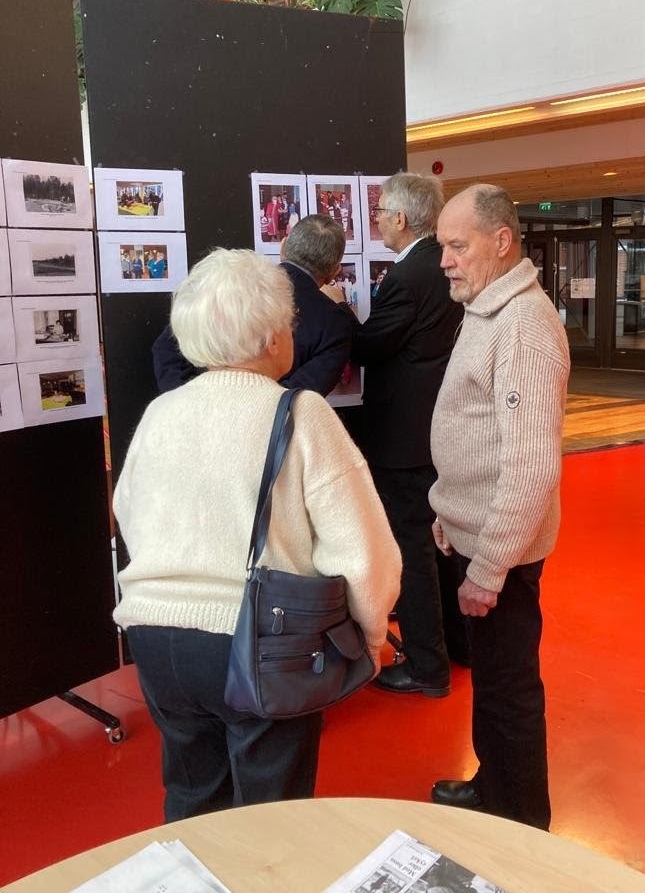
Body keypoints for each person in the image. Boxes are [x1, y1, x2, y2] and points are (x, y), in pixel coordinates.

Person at [113, 248, 401, 823]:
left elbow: (127, 511)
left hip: (155, 636)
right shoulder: (301, 413)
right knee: (271, 818)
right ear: (270, 337)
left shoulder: (160, 412)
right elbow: (363, 550)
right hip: (262, 640)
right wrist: (371, 638)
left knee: (193, 797)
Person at [428, 184, 570, 829]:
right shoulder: (487, 309)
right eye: (443, 247)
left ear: (502, 241)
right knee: (490, 679)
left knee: (509, 690)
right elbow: (477, 435)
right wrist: (449, 508)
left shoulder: (523, 327)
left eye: (458, 246)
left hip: (501, 555)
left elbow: (532, 467)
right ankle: (493, 789)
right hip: (476, 536)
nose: (445, 261)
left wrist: (488, 569)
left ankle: (522, 824)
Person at [335, 172, 464, 696]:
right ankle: (458, 647)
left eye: (380, 211)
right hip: (436, 429)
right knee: (443, 545)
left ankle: (427, 667)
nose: (377, 221)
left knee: (412, 551)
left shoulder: (408, 276)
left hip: (405, 440)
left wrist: (339, 306)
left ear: (401, 218)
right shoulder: (445, 264)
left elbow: (370, 346)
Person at [152, 215, 354, 396]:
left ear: (283, 246)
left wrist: (191, 403)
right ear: (334, 272)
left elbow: (166, 350)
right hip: (269, 424)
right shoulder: (335, 325)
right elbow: (297, 396)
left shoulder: (229, 281)